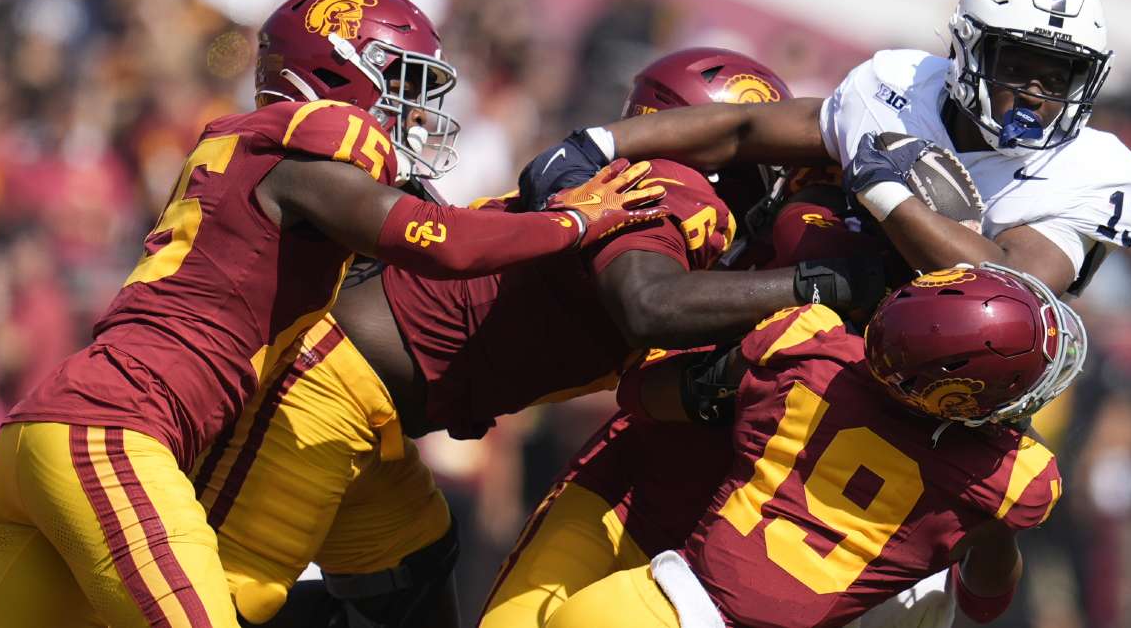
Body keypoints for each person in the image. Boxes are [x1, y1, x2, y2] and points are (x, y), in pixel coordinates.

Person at [0, 0, 669, 628]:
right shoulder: (305, 159)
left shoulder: (256, 155)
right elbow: (442, 243)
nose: (415, 113)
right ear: (337, 70)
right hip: (114, 433)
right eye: (403, 86)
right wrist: (574, 220)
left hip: (45, 431)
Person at [191, 48, 868, 628]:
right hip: (327, 392)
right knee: (217, 598)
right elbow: (649, 304)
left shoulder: (663, 195)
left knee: (409, 583)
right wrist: (826, 285)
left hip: (375, 410)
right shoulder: (673, 187)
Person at [522, 0, 1131, 299]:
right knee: (811, 216)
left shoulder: (1096, 170)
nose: (1037, 93)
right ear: (967, 51)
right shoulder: (898, 86)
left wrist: (887, 195)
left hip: (945, 395)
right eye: (1018, 66)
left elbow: (1006, 289)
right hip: (817, 337)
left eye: (1060, 76)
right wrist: (599, 142)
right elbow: (745, 130)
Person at [544, 263, 1086, 628]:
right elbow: (984, 602)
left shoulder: (807, 344)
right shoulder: (1010, 481)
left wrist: (714, 392)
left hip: (631, 601)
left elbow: (644, 396)